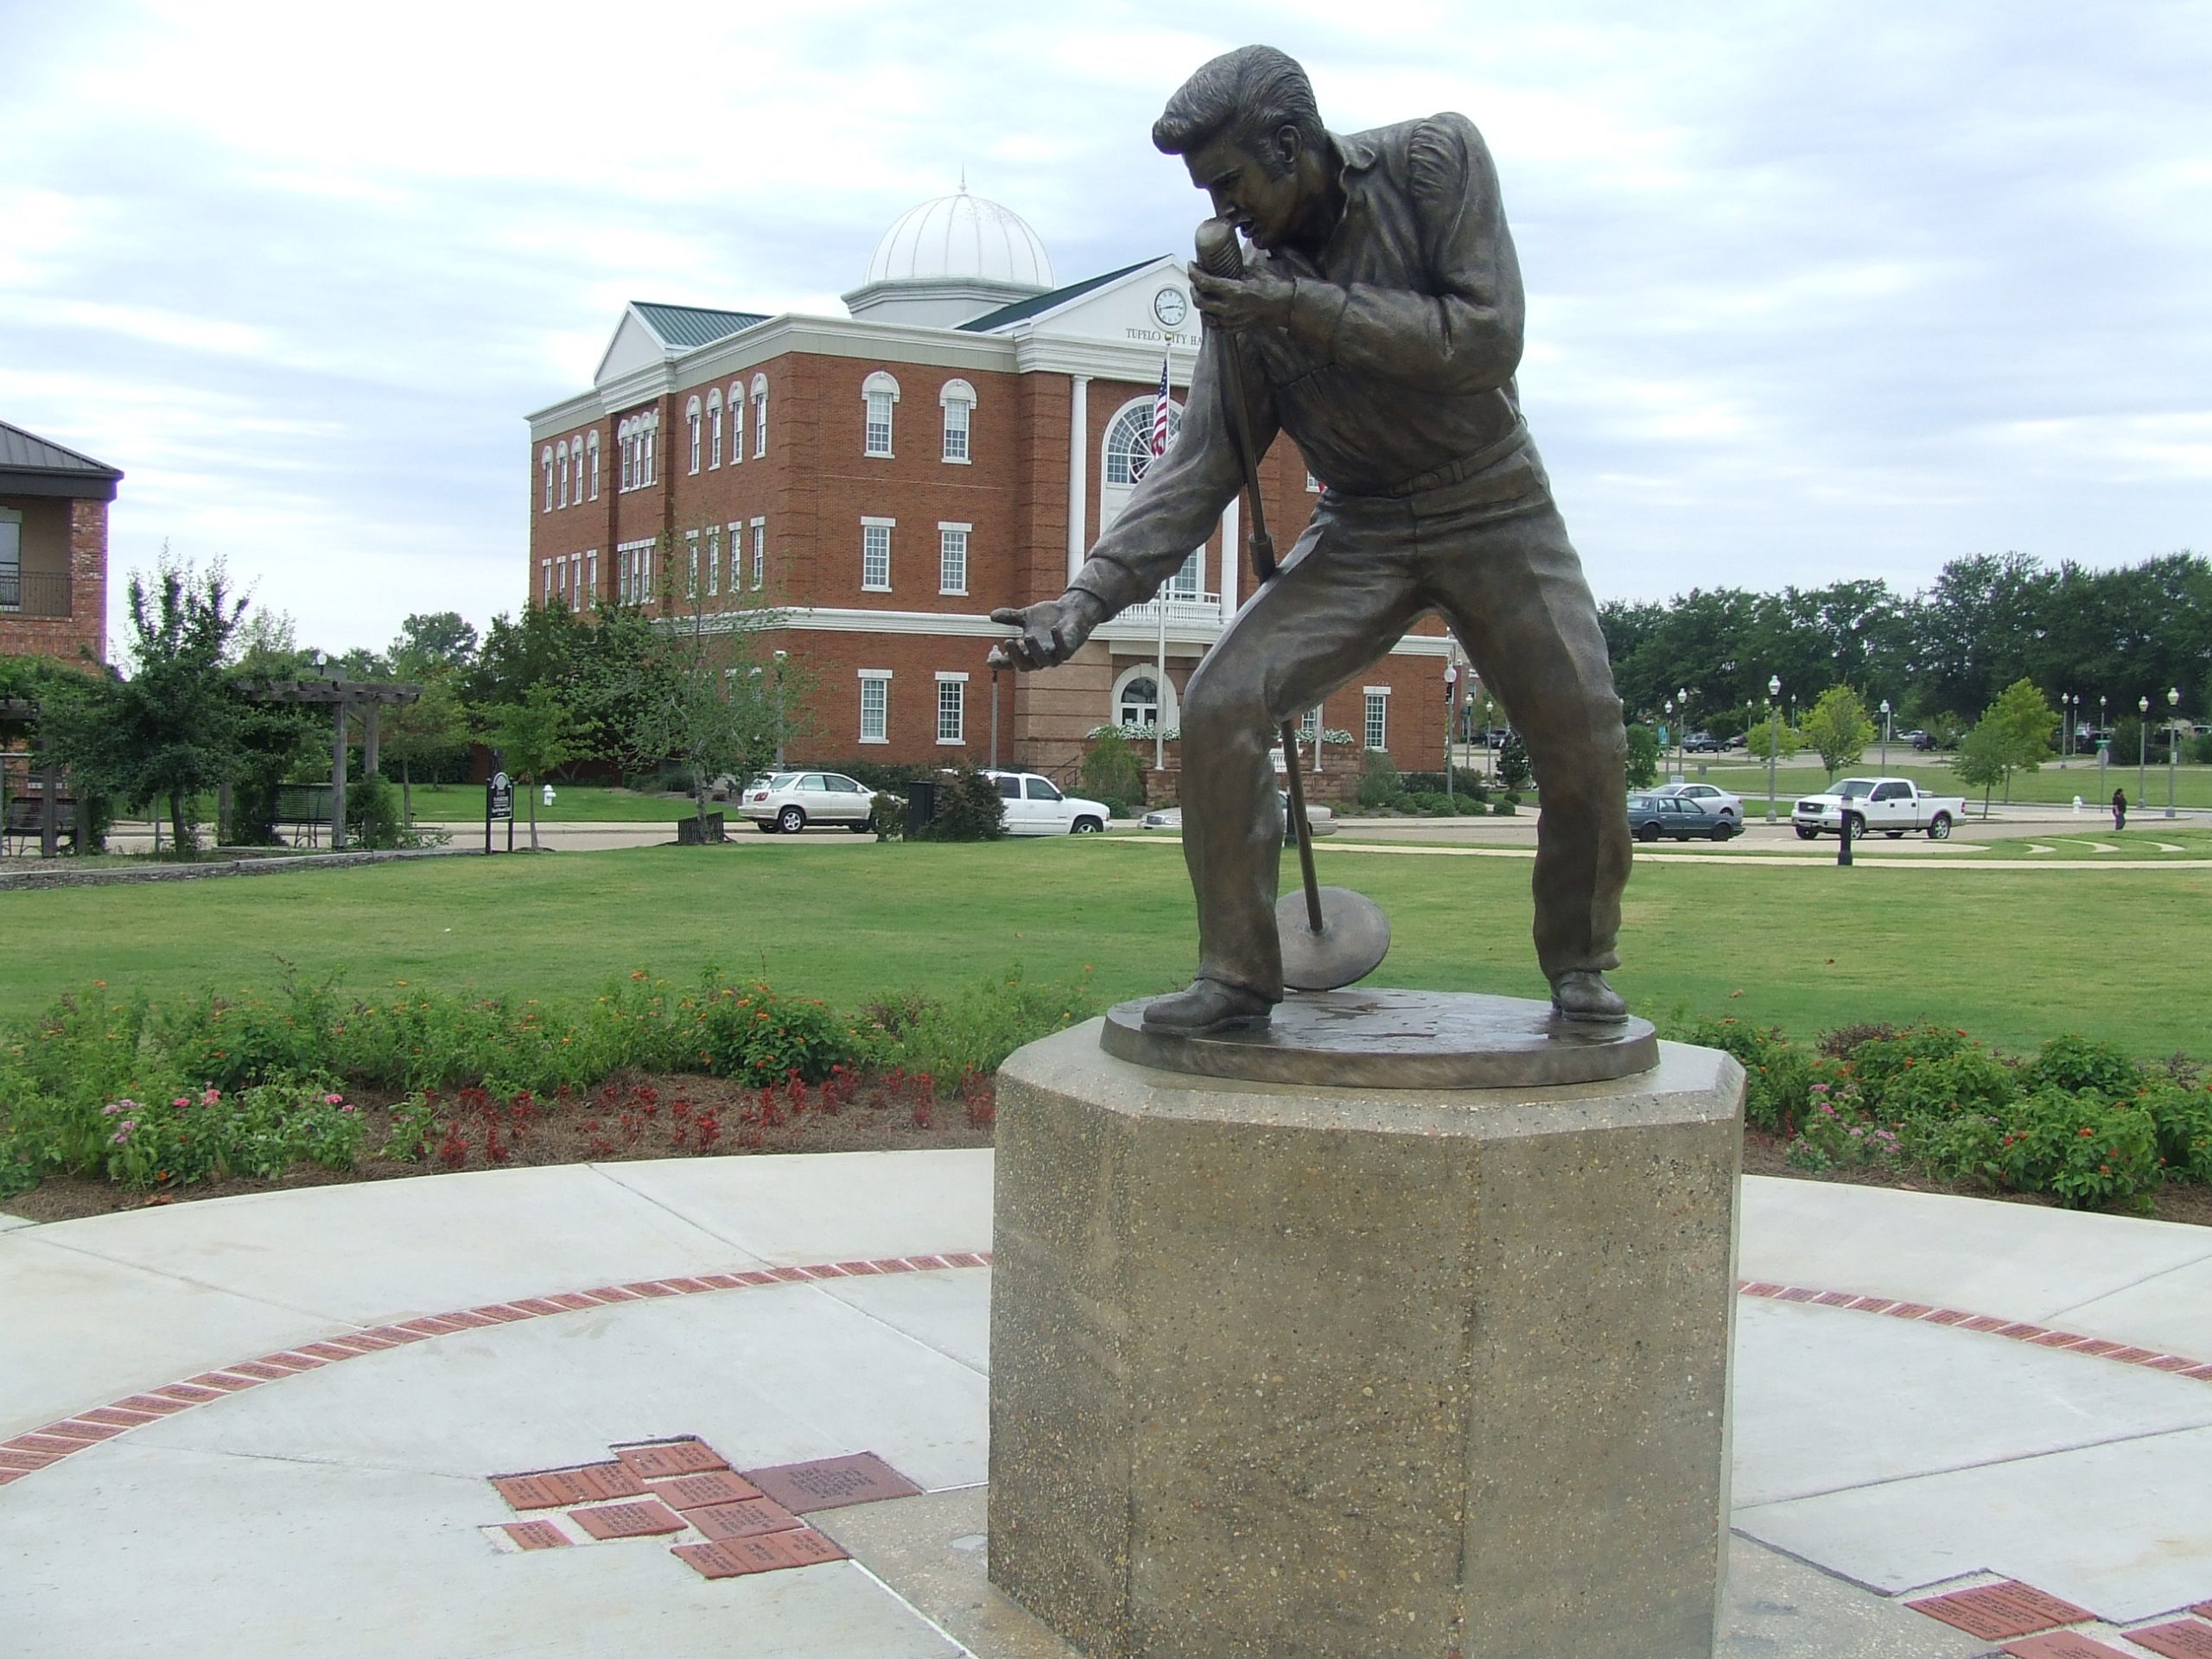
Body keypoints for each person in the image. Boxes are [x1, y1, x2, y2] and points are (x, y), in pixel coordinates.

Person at [989, 44, 1630, 1035]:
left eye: (1231, 181)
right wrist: (1084, 600)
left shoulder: (1433, 164)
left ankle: (1581, 965)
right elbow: (1202, 464)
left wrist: (1293, 307)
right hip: (1361, 526)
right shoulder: (1244, 293)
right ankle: (1238, 978)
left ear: (1290, 143)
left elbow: (1483, 337)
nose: (1220, 209)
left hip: (1494, 505)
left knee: (1583, 741)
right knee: (1219, 705)